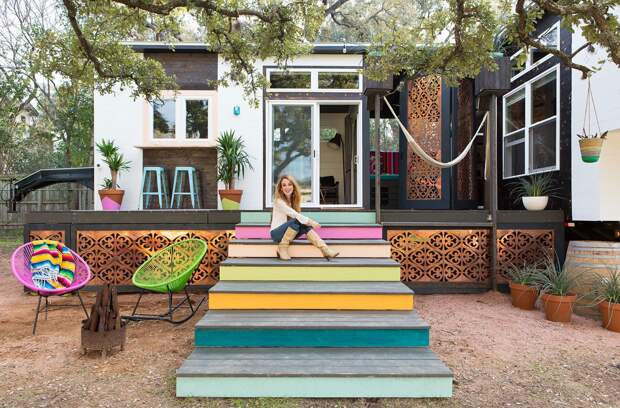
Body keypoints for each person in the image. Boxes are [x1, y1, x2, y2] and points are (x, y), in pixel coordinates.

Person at [270, 175, 339, 261]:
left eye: (290, 184)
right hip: (276, 233)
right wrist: (311, 221)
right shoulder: (278, 201)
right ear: (281, 188)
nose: (287, 187)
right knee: (298, 221)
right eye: (284, 185)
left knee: (303, 225)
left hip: (287, 233)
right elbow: (294, 215)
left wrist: (307, 222)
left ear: (293, 187)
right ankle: (282, 248)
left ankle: (324, 249)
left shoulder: (292, 201)